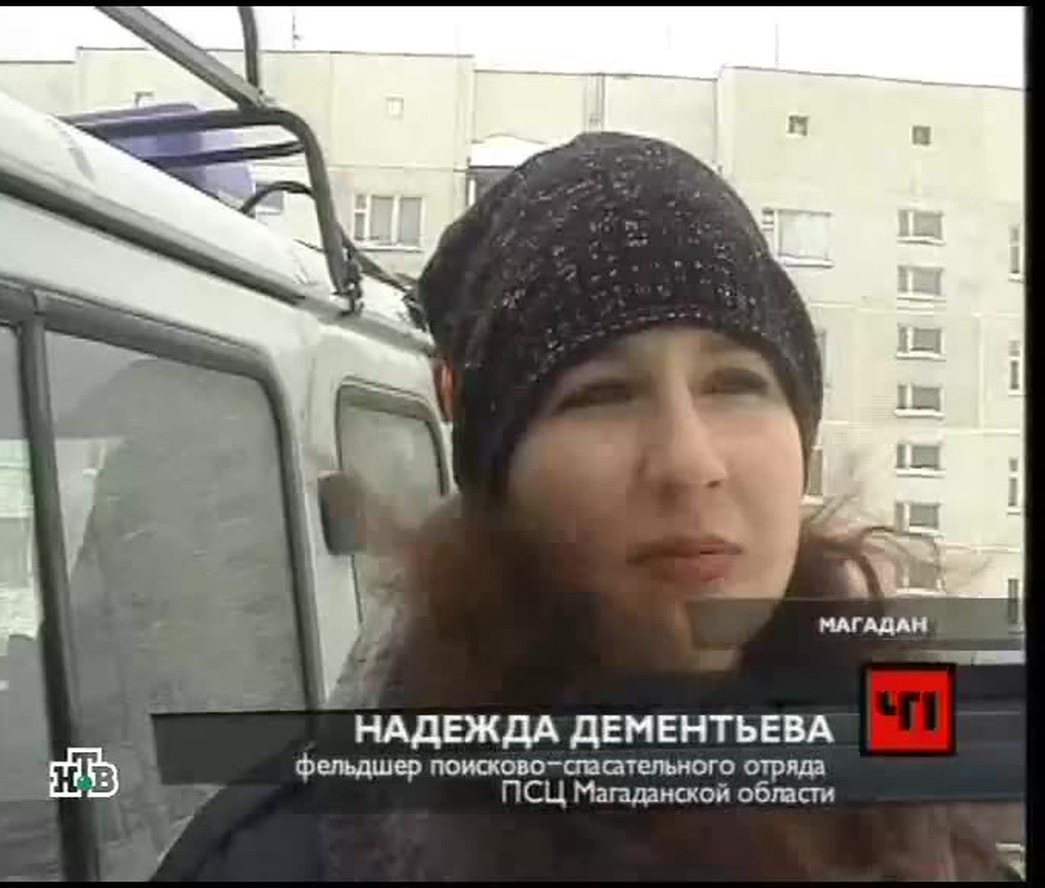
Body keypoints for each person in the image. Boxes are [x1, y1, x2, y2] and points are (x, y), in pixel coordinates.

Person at [153, 132, 1020, 881]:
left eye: (736, 383)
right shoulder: (292, 854)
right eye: (602, 395)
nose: (689, 463)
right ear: (500, 476)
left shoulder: (921, 806)